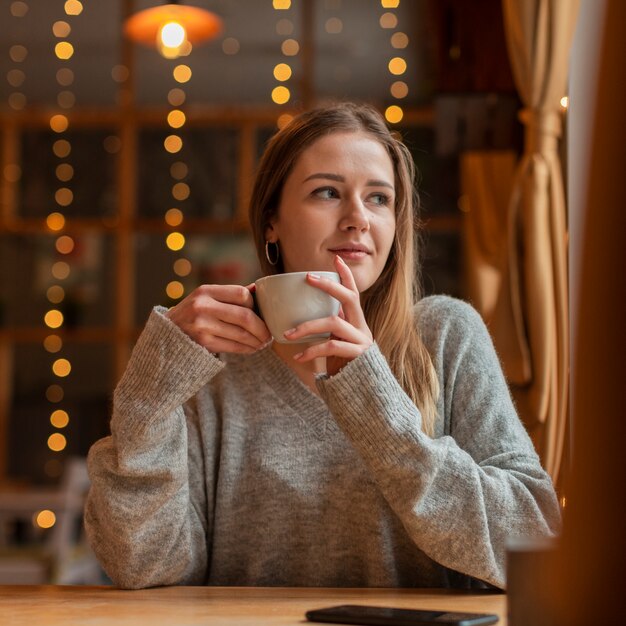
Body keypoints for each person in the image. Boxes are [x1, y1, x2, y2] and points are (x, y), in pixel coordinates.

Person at [84, 102, 560, 590]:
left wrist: (376, 404)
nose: (358, 218)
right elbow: (143, 568)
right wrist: (148, 396)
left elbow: (533, 540)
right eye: (327, 192)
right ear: (272, 221)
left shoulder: (445, 336)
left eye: (378, 198)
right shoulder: (208, 364)